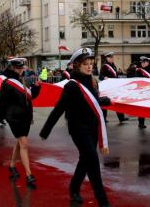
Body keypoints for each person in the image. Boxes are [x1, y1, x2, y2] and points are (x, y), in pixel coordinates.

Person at [40, 48, 112, 207]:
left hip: (93, 127)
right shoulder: (71, 86)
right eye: (85, 64)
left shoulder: (93, 81)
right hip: (78, 129)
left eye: (91, 63)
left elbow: (92, 102)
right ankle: (103, 201)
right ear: (77, 65)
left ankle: (73, 188)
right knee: (92, 160)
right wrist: (46, 130)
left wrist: (104, 101)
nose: (89, 67)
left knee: (85, 161)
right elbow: (59, 108)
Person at [0, 57, 40, 186]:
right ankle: (29, 174)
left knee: (20, 143)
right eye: (18, 68)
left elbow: (30, 97)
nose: (20, 70)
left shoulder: (24, 80)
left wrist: (36, 88)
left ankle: (12, 165)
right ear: (12, 68)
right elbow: (0, 101)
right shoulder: (8, 83)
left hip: (26, 117)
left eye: (22, 68)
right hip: (14, 117)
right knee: (24, 143)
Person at [99, 51, 128, 123]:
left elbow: (115, 75)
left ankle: (121, 118)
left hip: (114, 87)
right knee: (105, 102)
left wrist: (119, 73)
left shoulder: (114, 66)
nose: (112, 58)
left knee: (117, 102)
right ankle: (104, 118)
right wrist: (104, 77)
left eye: (112, 57)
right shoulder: (104, 66)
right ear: (107, 58)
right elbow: (100, 76)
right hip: (107, 87)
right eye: (110, 57)